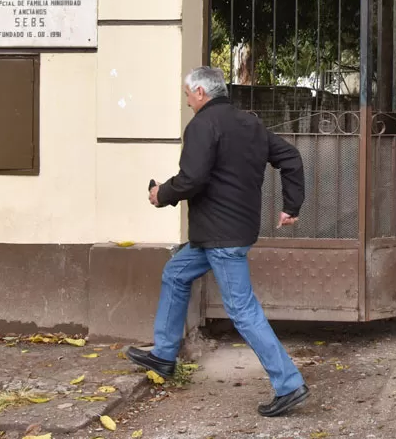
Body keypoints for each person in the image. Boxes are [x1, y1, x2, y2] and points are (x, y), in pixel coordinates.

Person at [127, 66, 310, 418]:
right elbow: (290, 157)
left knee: (242, 310)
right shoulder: (250, 124)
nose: (187, 102)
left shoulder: (202, 126)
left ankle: (289, 384)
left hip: (220, 238)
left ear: (200, 92)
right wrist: (291, 205)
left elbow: (192, 179)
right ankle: (164, 356)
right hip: (227, 232)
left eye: (187, 95)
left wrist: (160, 194)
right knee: (175, 274)